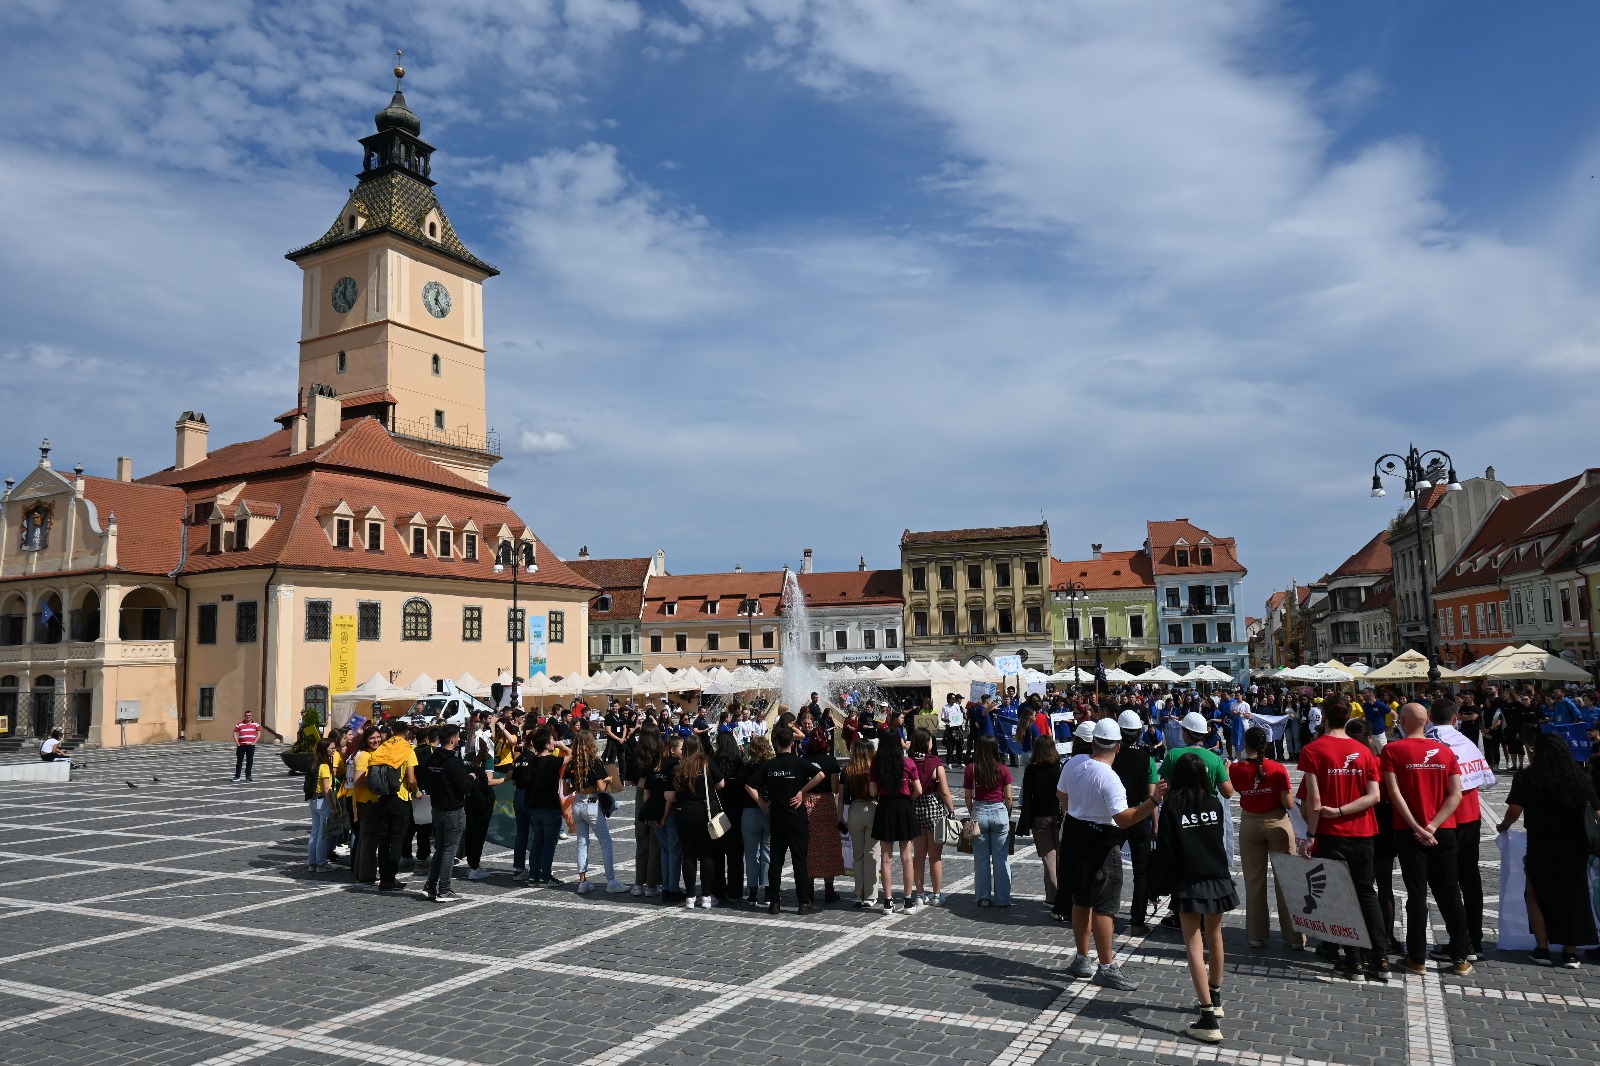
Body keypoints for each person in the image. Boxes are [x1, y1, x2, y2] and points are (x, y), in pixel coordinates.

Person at [1058, 718, 1167, 990]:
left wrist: (1081, 811)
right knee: (1104, 907)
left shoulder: (1073, 763)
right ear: (1118, 747)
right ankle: (1106, 966)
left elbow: (1061, 795)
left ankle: (1082, 958)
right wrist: (1153, 802)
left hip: (1074, 835)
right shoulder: (1109, 777)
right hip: (1101, 841)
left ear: (1093, 742)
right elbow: (1124, 818)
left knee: (1081, 900)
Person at [1298, 694, 1389, 980]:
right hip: (1363, 831)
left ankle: (1354, 961)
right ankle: (1381, 958)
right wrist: (1344, 810)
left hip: (1330, 833)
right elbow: (1374, 796)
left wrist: (1313, 832)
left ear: (1323, 716)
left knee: (1339, 896)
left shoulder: (1313, 750)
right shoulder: (1365, 752)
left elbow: (1313, 802)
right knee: (1366, 893)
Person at [1382, 703, 1471, 976]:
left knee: (1416, 894)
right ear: (1427, 721)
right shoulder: (1446, 752)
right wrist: (1433, 825)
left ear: (1405, 721)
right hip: (1443, 830)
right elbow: (1456, 794)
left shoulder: (1392, 750)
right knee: (1450, 893)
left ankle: (1417, 957)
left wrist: (1418, 828)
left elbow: (1393, 794)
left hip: (1410, 832)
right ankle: (1460, 957)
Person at [1496, 731, 1599, 968]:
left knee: (1535, 895)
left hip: (1542, 843)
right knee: (1573, 896)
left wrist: (1504, 826)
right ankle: (1570, 953)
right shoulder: (1580, 777)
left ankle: (1542, 949)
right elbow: (1597, 813)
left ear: (1536, 751)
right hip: (1575, 846)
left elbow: (1514, 811)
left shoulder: (1527, 777)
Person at [1161, 752, 1237, 1044]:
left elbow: (1167, 849)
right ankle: (1215, 998)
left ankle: (1207, 1017)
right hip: (1216, 876)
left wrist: (1161, 883)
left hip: (1189, 879)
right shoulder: (1215, 803)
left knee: (1193, 942)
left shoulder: (1172, 807)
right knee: (1215, 936)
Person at [1424, 697, 1491, 961]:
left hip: (1445, 820)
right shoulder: (1468, 743)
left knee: (1445, 883)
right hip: (1471, 817)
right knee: (1470, 880)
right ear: (1455, 719)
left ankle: (1459, 941)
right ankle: (1474, 940)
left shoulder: (1430, 745)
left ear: (1430, 719)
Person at [1228, 726, 1302, 950]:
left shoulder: (1236, 769)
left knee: (1254, 880)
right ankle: (1295, 937)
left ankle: (1256, 935)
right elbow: (1288, 804)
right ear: (1266, 745)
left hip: (1251, 824)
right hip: (1278, 822)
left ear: (1245, 744)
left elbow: (1231, 791)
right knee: (1286, 881)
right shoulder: (1278, 768)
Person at [745, 724, 825, 914]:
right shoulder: (798, 762)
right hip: (796, 816)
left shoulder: (769, 765)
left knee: (776, 860)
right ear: (791, 742)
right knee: (799, 860)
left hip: (777, 816)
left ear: (776, 744)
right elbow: (820, 775)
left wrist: (763, 803)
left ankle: (774, 903)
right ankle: (803, 903)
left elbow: (749, 785)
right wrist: (801, 792)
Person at [1112, 710, 1159, 934]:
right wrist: (1155, 823)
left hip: (1115, 815)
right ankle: (1138, 921)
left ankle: (1104, 913)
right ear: (1139, 732)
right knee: (1142, 870)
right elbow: (1153, 798)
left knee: (1108, 865)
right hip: (1140, 815)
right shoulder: (1147, 758)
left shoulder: (1111, 756)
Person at [869, 728, 924, 914]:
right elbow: (919, 790)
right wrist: (910, 799)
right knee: (907, 857)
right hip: (903, 807)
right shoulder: (907, 762)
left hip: (885, 807)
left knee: (886, 858)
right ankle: (908, 902)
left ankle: (888, 902)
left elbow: (872, 792)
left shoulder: (877, 764)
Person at [568, 729, 627, 895]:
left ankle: (583, 882)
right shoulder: (594, 761)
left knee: (582, 842)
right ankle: (611, 881)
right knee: (606, 842)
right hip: (592, 801)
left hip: (578, 801)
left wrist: (581, 784)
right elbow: (601, 788)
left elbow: (567, 788)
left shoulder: (573, 762)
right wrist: (608, 780)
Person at [364, 721, 420, 892]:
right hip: (400, 798)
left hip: (382, 797)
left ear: (392, 731)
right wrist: (417, 792)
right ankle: (390, 878)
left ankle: (383, 878)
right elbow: (411, 779)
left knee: (384, 839)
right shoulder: (408, 750)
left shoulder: (382, 748)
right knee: (397, 840)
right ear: (408, 733)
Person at [671, 740, 727, 908]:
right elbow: (721, 783)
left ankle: (690, 897)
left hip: (684, 811)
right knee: (707, 854)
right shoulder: (705, 762)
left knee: (688, 854)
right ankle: (707, 897)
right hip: (705, 810)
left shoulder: (679, 766)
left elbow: (671, 793)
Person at [420, 724, 471, 902]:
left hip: (437, 808)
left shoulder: (431, 759)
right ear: (452, 739)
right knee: (449, 850)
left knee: (441, 849)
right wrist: (471, 778)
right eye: (457, 737)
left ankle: (430, 886)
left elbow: (424, 781)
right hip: (453, 810)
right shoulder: (453, 760)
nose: (458, 740)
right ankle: (444, 889)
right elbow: (464, 787)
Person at [963, 735, 1014, 907]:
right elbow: (1009, 797)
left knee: (981, 858)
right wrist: (1006, 813)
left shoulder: (972, 768)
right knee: (1001, 859)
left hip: (979, 811)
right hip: (999, 810)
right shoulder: (1002, 769)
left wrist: (973, 812)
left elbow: (968, 797)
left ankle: (983, 897)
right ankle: (1002, 899)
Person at [1016, 732, 1063, 909]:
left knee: (1048, 858)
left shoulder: (1031, 770)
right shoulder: (1059, 767)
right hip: (1058, 815)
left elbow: (1027, 799)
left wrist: (1024, 823)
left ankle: (1054, 896)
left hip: (1039, 817)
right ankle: (1059, 894)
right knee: (1060, 857)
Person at [909, 727, 955, 906]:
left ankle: (919, 894)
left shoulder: (910, 761)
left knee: (918, 855)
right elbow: (944, 791)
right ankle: (936, 894)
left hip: (915, 808)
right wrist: (951, 810)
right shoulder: (935, 762)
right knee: (935, 856)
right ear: (926, 742)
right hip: (934, 809)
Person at [802, 734, 846, 903]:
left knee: (809, 845)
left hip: (807, 802)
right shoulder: (831, 761)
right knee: (828, 845)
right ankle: (829, 888)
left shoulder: (803, 759)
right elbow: (835, 788)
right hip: (825, 804)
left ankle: (809, 886)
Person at [522, 726, 568, 887]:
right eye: (551, 740)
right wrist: (562, 746)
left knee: (537, 841)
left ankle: (533, 875)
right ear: (548, 744)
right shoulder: (552, 761)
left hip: (533, 807)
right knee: (549, 843)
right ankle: (546, 876)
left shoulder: (531, 760)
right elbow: (572, 756)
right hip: (549, 806)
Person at [842, 739, 879, 908]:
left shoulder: (848, 769)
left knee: (857, 857)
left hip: (855, 810)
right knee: (872, 855)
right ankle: (870, 896)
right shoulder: (874, 768)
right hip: (872, 808)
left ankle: (858, 894)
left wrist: (839, 816)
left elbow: (842, 797)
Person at [741, 735, 775, 905]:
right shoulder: (771, 766)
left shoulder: (746, 767)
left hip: (748, 812)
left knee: (751, 854)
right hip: (768, 810)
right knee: (767, 853)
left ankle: (753, 891)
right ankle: (768, 892)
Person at [305, 737, 338, 871]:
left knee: (315, 832)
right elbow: (327, 789)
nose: (334, 750)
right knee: (323, 835)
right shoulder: (324, 765)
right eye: (332, 748)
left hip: (313, 801)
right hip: (322, 802)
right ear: (325, 749)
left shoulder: (314, 762)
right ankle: (321, 864)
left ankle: (312, 863)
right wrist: (333, 807)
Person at [233, 710, 261, 782]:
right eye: (246, 715)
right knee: (239, 761)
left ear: (251, 716)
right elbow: (235, 733)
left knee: (250, 761)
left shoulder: (256, 724)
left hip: (250, 745)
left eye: (249, 715)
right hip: (241, 746)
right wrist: (237, 743)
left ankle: (248, 776)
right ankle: (237, 776)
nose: (248, 717)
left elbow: (259, 733)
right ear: (244, 716)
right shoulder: (239, 724)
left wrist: (254, 743)